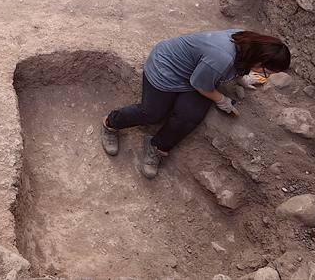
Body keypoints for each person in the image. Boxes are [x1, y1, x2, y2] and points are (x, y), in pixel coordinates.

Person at [102, 30, 290, 179]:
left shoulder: (249, 44)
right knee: (152, 114)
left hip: (194, 74)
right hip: (166, 69)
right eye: (266, 71)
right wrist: (222, 100)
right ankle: (111, 124)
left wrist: (242, 77)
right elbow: (201, 85)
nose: (265, 75)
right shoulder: (222, 57)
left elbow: (232, 67)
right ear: (260, 59)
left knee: (190, 116)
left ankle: (157, 147)